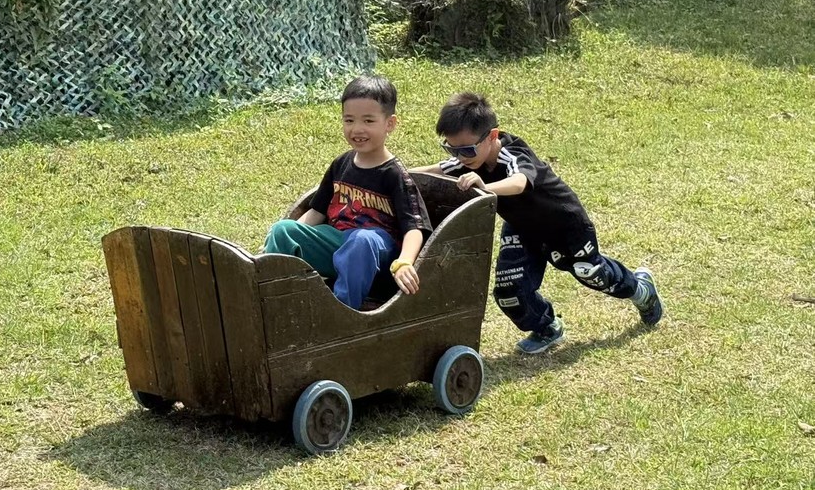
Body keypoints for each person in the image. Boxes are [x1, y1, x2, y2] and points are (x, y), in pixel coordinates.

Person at [412, 92, 664, 354]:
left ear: (492, 136)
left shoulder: (514, 153)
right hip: (523, 229)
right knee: (509, 290)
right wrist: (396, 174)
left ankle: (641, 289)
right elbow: (436, 170)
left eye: (465, 149)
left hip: (565, 226)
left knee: (591, 273)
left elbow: (519, 182)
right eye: (452, 148)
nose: (460, 156)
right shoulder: (469, 158)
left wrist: (484, 188)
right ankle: (547, 327)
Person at [264, 75, 432, 310]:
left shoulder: (394, 175)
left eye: (368, 121)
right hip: (339, 242)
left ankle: (342, 311)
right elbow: (317, 212)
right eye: (349, 120)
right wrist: (288, 236)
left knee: (361, 240)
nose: (357, 129)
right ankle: (272, 298)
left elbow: (414, 228)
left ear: (390, 124)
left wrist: (404, 262)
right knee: (283, 229)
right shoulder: (341, 164)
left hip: (377, 256)